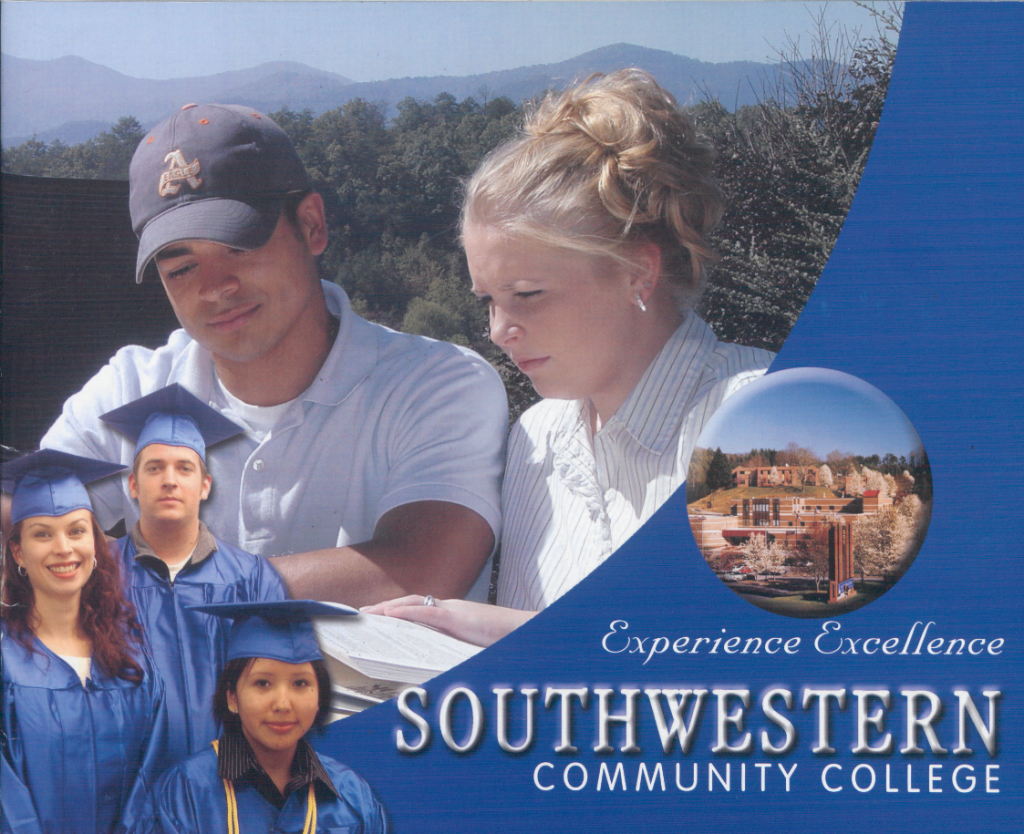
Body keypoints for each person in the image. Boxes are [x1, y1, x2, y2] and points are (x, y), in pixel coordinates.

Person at [34, 102, 507, 608]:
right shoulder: (133, 387)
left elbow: (422, 569)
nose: (215, 288)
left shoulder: (437, 382)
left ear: (311, 225)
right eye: (181, 268)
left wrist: (159, 587)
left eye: (239, 247)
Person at [367, 69, 775, 646]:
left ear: (638, 271)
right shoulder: (537, 439)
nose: (499, 330)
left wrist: (523, 639)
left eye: (527, 295)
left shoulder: (759, 422)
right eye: (487, 301)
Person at [98, 383, 290, 763]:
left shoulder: (253, 580)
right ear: (133, 485)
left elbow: (275, 692)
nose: (169, 480)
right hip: (123, 791)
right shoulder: (97, 576)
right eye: (154, 468)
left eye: (184, 468)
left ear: (204, 487)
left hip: (227, 788)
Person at [1, 450, 168, 834]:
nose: (63, 548)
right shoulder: (5, 662)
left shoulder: (133, 659)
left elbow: (152, 774)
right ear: (18, 552)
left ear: (95, 545)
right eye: (42, 534)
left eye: (77, 530)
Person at [130, 600, 388, 834]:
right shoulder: (184, 793)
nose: (283, 704)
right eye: (263, 683)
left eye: (300, 683)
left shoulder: (354, 797)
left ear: (319, 697)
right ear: (232, 696)